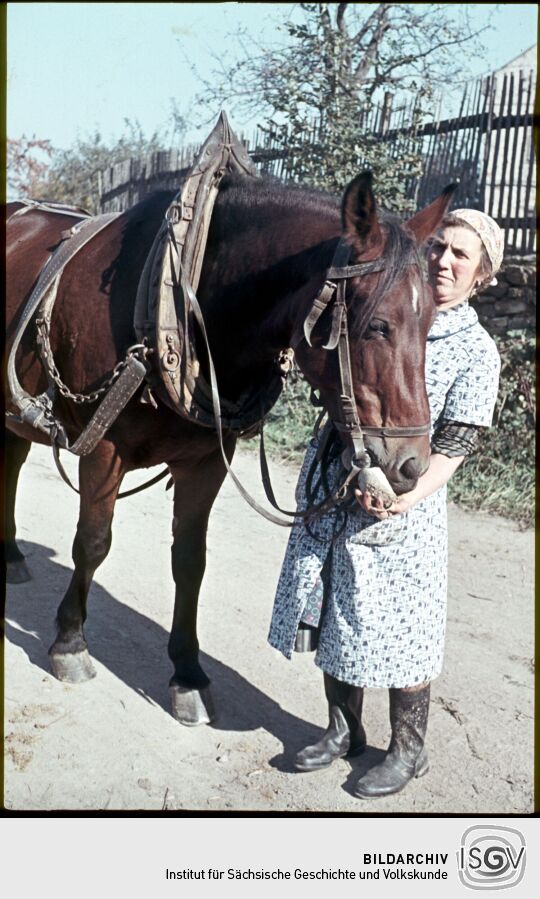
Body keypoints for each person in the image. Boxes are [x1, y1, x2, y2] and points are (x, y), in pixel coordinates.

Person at [268, 208, 503, 799]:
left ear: (482, 276)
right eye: (439, 248)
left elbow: (454, 446)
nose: (443, 262)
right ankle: (343, 730)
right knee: (336, 611)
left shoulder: (475, 350)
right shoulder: (387, 306)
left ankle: (408, 749)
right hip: (342, 488)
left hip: (404, 507)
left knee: (404, 626)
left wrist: (406, 500)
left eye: (460, 256)